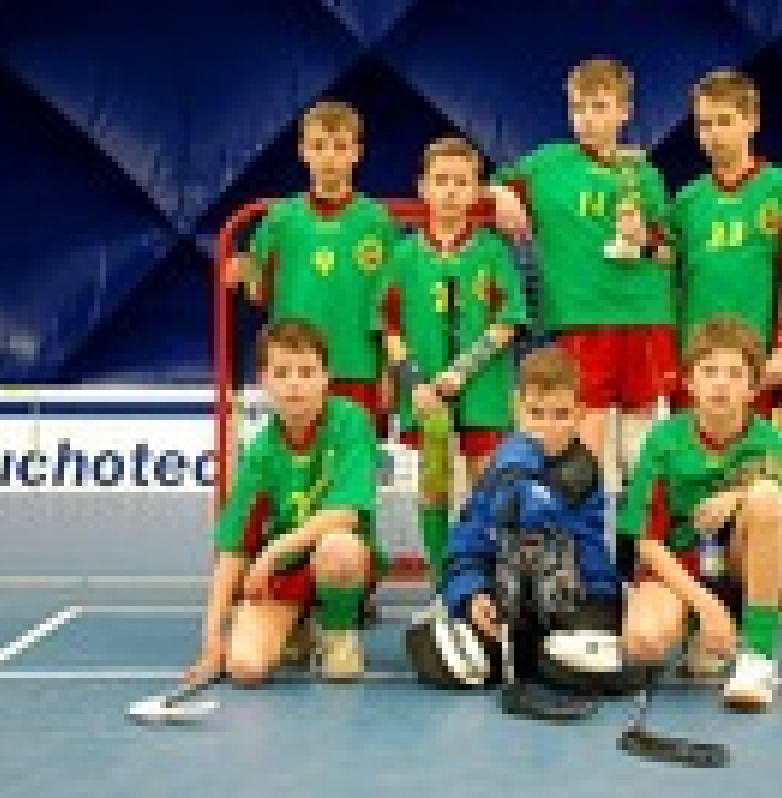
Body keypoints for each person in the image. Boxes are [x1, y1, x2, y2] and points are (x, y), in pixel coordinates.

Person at [488, 56, 676, 489]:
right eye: (578, 108)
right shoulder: (546, 164)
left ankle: (635, 531)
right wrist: (500, 193)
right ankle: (587, 530)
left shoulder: (644, 173)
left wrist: (643, 237)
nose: (587, 119)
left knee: (638, 445)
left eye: (599, 107)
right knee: (585, 437)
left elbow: (667, 251)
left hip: (643, 316)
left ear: (624, 111)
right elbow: (490, 187)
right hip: (581, 317)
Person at [619, 316, 782, 711]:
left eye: (734, 373)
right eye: (709, 371)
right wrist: (705, 606)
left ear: (753, 387)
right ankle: (702, 632)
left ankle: (758, 656)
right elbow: (646, 543)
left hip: (740, 567)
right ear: (689, 382)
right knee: (643, 641)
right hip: (682, 569)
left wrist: (739, 496)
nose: (721, 384)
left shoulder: (776, 444)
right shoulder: (663, 441)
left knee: (767, 496)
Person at [407, 346, 624, 693]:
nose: (547, 427)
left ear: (579, 415)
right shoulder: (500, 467)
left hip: (571, 602)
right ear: (517, 410)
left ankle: (535, 657)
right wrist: (473, 596)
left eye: (561, 414)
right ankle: (514, 654)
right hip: (508, 600)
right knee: (435, 649)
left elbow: (531, 515)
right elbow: (468, 543)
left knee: (591, 660)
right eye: (536, 414)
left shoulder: (582, 471)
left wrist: (518, 463)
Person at [187, 321, 382, 684]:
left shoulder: (351, 423)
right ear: (264, 381)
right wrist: (211, 642)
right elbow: (232, 551)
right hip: (285, 573)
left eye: (307, 372)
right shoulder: (260, 453)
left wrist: (271, 553)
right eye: (282, 373)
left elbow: (345, 515)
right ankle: (299, 626)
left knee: (339, 547)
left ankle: (337, 635)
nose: (295, 384)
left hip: (337, 562)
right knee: (245, 668)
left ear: (326, 377)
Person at [382, 136, 527, 579]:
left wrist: (462, 370)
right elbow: (389, 328)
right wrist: (415, 383)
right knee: (433, 487)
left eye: (461, 182)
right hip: (424, 395)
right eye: (441, 181)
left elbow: (509, 321)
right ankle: (443, 582)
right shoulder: (403, 256)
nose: (450, 191)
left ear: (476, 190)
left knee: (491, 486)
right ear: (423, 188)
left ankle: (489, 580)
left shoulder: (493, 251)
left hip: (483, 392)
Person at [670, 69, 782, 436]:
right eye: (704, 124)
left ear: (752, 121)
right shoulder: (685, 201)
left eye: (724, 121)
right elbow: (670, 283)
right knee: (698, 463)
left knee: (766, 465)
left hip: (761, 361)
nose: (713, 134)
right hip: (698, 363)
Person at [225, 101, 398, 435]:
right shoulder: (280, 219)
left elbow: (393, 306)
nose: (329, 157)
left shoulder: (378, 221)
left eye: (339, 147)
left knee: (356, 459)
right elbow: (257, 292)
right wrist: (243, 269)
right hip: (294, 371)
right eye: (319, 146)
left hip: (359, 367)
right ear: (303, 151)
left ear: (357, 152)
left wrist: (389, 371)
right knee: (297, 458)